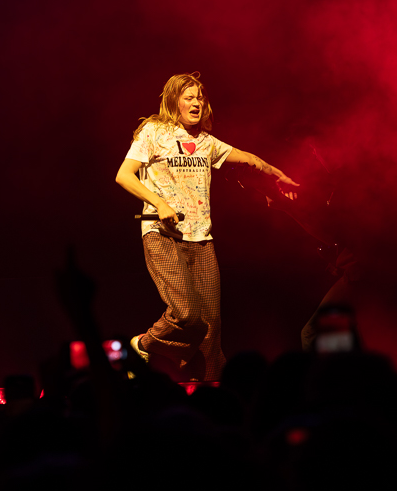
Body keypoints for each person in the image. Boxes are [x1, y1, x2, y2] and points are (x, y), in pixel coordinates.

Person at [115, 72, 298, 381]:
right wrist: (159, 203)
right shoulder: (154, 132)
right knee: (186, 314)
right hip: (162, 235)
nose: (197, 102)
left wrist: (276, 175)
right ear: (174, 101)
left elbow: (248, 159)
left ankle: (209, 386)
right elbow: (124, 175)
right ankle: (143, 344)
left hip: (201, 239)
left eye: (200, 97)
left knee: (211, 329)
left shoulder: (205, 142)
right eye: (189, 97)